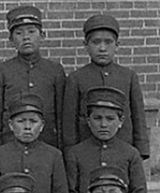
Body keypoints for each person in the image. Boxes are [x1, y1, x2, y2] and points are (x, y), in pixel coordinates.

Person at [62, 14, 149, 159]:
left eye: (108, 42)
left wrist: (141, 149)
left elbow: (138, 115)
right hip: (86, 152)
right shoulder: (76, 78)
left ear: (117, 45)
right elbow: (69, 121)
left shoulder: (128, 76)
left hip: (123, 148)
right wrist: (70, 152)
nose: (102, 48)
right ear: (85, 45)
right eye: (96, 42)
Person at [0, 6, 65, 152]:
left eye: (31, 32)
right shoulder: (2, 71)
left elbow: (61, 114)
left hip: (47, 145)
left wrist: (61, 148)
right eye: (19, 33)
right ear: (11, 39)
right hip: (10, 146)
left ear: (42, 35)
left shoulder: (55, 70)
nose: (26, 37)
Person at [65, 87, 147, 193]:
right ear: (88, 121)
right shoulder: (76, 153)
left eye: (110, 119)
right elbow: (70, 191)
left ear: (121, 122)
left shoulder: (130, 153)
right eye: (97, 118)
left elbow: (139, 190)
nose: (103, 124)